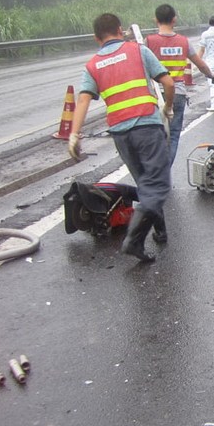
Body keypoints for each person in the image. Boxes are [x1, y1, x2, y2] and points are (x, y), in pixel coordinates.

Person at [68, 13, 174, 262]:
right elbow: (168, 83)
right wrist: (168, 108)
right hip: (147, 126)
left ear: (97, 38)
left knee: (146, 184)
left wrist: (74, 135)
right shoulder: (138, 51)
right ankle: (134, 240)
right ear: (120, 29)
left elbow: (83, 99)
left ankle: (160, 231)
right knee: (157, 186)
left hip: (120, 133)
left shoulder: (93, 65)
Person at [146, 4, 214, 163]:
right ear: (174, 20)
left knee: (156, 136)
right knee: (172, 137)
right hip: (177, 93)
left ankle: (157, 171)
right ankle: (165, 171)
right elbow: (201, 64)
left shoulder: (149, 42)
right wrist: (212, 75)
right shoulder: (183, 41)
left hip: (155, 96)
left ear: (156, 20)